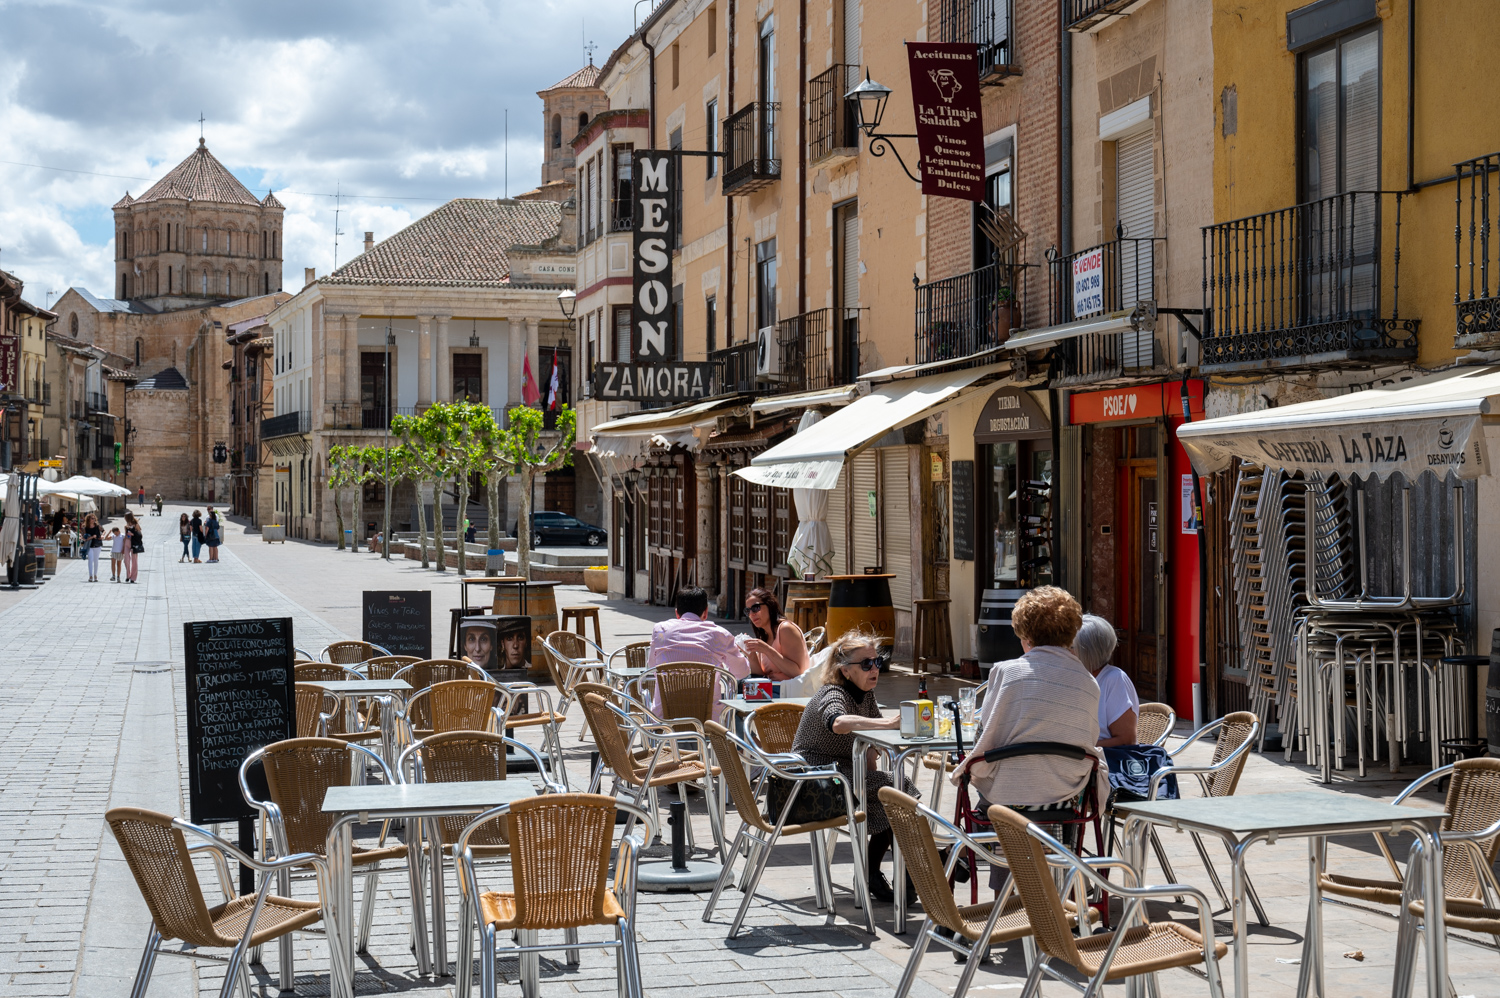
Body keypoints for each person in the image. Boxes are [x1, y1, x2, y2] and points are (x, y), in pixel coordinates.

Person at [951, 586, 1108, 852]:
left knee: (984, 775)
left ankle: (985, 859)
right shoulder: (1088, 682)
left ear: (1025, 635)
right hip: (1065, 797)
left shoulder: (1007, 672)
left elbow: (986, 736)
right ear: (1071, 635)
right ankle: (1051, 862)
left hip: (1007, 798)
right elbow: (1087, 737)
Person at [789, 630, 916, 903]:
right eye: (866, 664)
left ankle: (885, 870)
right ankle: (915, 864)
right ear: (845, 671)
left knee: (891, 795)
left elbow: (876, 740)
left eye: (877, 662)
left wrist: (874, 758)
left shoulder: (865, 695)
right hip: (814, 781)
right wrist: (889, 723)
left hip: (843, 775)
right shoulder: (833, 693)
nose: (875, 669)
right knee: (898, 788)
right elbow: (838, 723)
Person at [645, 586, 752, 679]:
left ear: (677, 613)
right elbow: (741, 672)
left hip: (666, 697)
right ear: (706, 612)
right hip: (708, 698)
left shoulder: (660, 630)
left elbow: (652, 666)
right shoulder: (720, 634)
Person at [1075, 613, 1138, 747]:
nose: (1065, 652)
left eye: (1071, 647)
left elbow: (1127, 740)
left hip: (1101, 757)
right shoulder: (1076, 677)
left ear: (1088, 652)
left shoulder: (1114, 680)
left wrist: (1083, 749)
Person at [740, 587, 810, 682]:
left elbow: (797, 674)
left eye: (755, 608)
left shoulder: (786, 629)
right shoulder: (764, 636)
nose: (751, 614)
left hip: (788, 688)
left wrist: (767, 650)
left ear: (770, 606)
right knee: (735, 683)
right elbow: (760, 676)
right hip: (770, 687)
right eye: (748, 611)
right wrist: (751, 654)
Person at [81, 513, 103, 582]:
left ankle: (95, 575)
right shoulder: (85, 528)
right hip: (89, 546)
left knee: (96, 560)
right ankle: (90, 575)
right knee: (90, 560)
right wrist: (92, 537)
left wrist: (102, 536)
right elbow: (84, 538)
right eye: (92, 518)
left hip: (97, 545)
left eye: (94, 518)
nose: (94, 520)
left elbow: (103, 531)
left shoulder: (97, 526)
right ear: (88, 519)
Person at [123, 512, 144, 583]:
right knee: (126, 560)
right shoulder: (126, 526)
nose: (124, 518)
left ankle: (133, 577)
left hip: (134, 544)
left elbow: (140, 535)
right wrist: (123, 546)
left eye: (125, 517)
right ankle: (128, 575)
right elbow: (125, 536)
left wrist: (133, 534)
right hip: (127, 543)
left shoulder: (136, 525)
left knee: (134, 561)